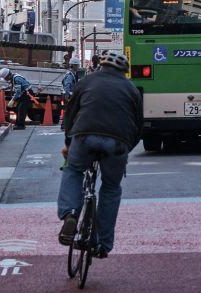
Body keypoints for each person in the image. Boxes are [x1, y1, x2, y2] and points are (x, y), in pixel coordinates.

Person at [57, 48, 143, 258]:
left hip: (84, 136)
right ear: (124, 70)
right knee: (111, 188)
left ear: (101, 65)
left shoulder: (86, 82)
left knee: (74, 170)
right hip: (118, 143)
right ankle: (102, 244)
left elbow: (70, 114)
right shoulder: (132, 89)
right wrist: (125, 151)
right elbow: (138, 127)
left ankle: (70, 214)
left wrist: (69, 142)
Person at [59, 60, 78, 126]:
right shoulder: (70, 75)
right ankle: (64, 125)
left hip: (69, 95)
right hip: (68, 96)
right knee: (69, 111)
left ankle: (65, 124)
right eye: (77, 65)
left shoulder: (72, 74)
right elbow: (67, 85)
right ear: (73, 65)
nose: (78, 67)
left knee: (68, 111)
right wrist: (67, 96)